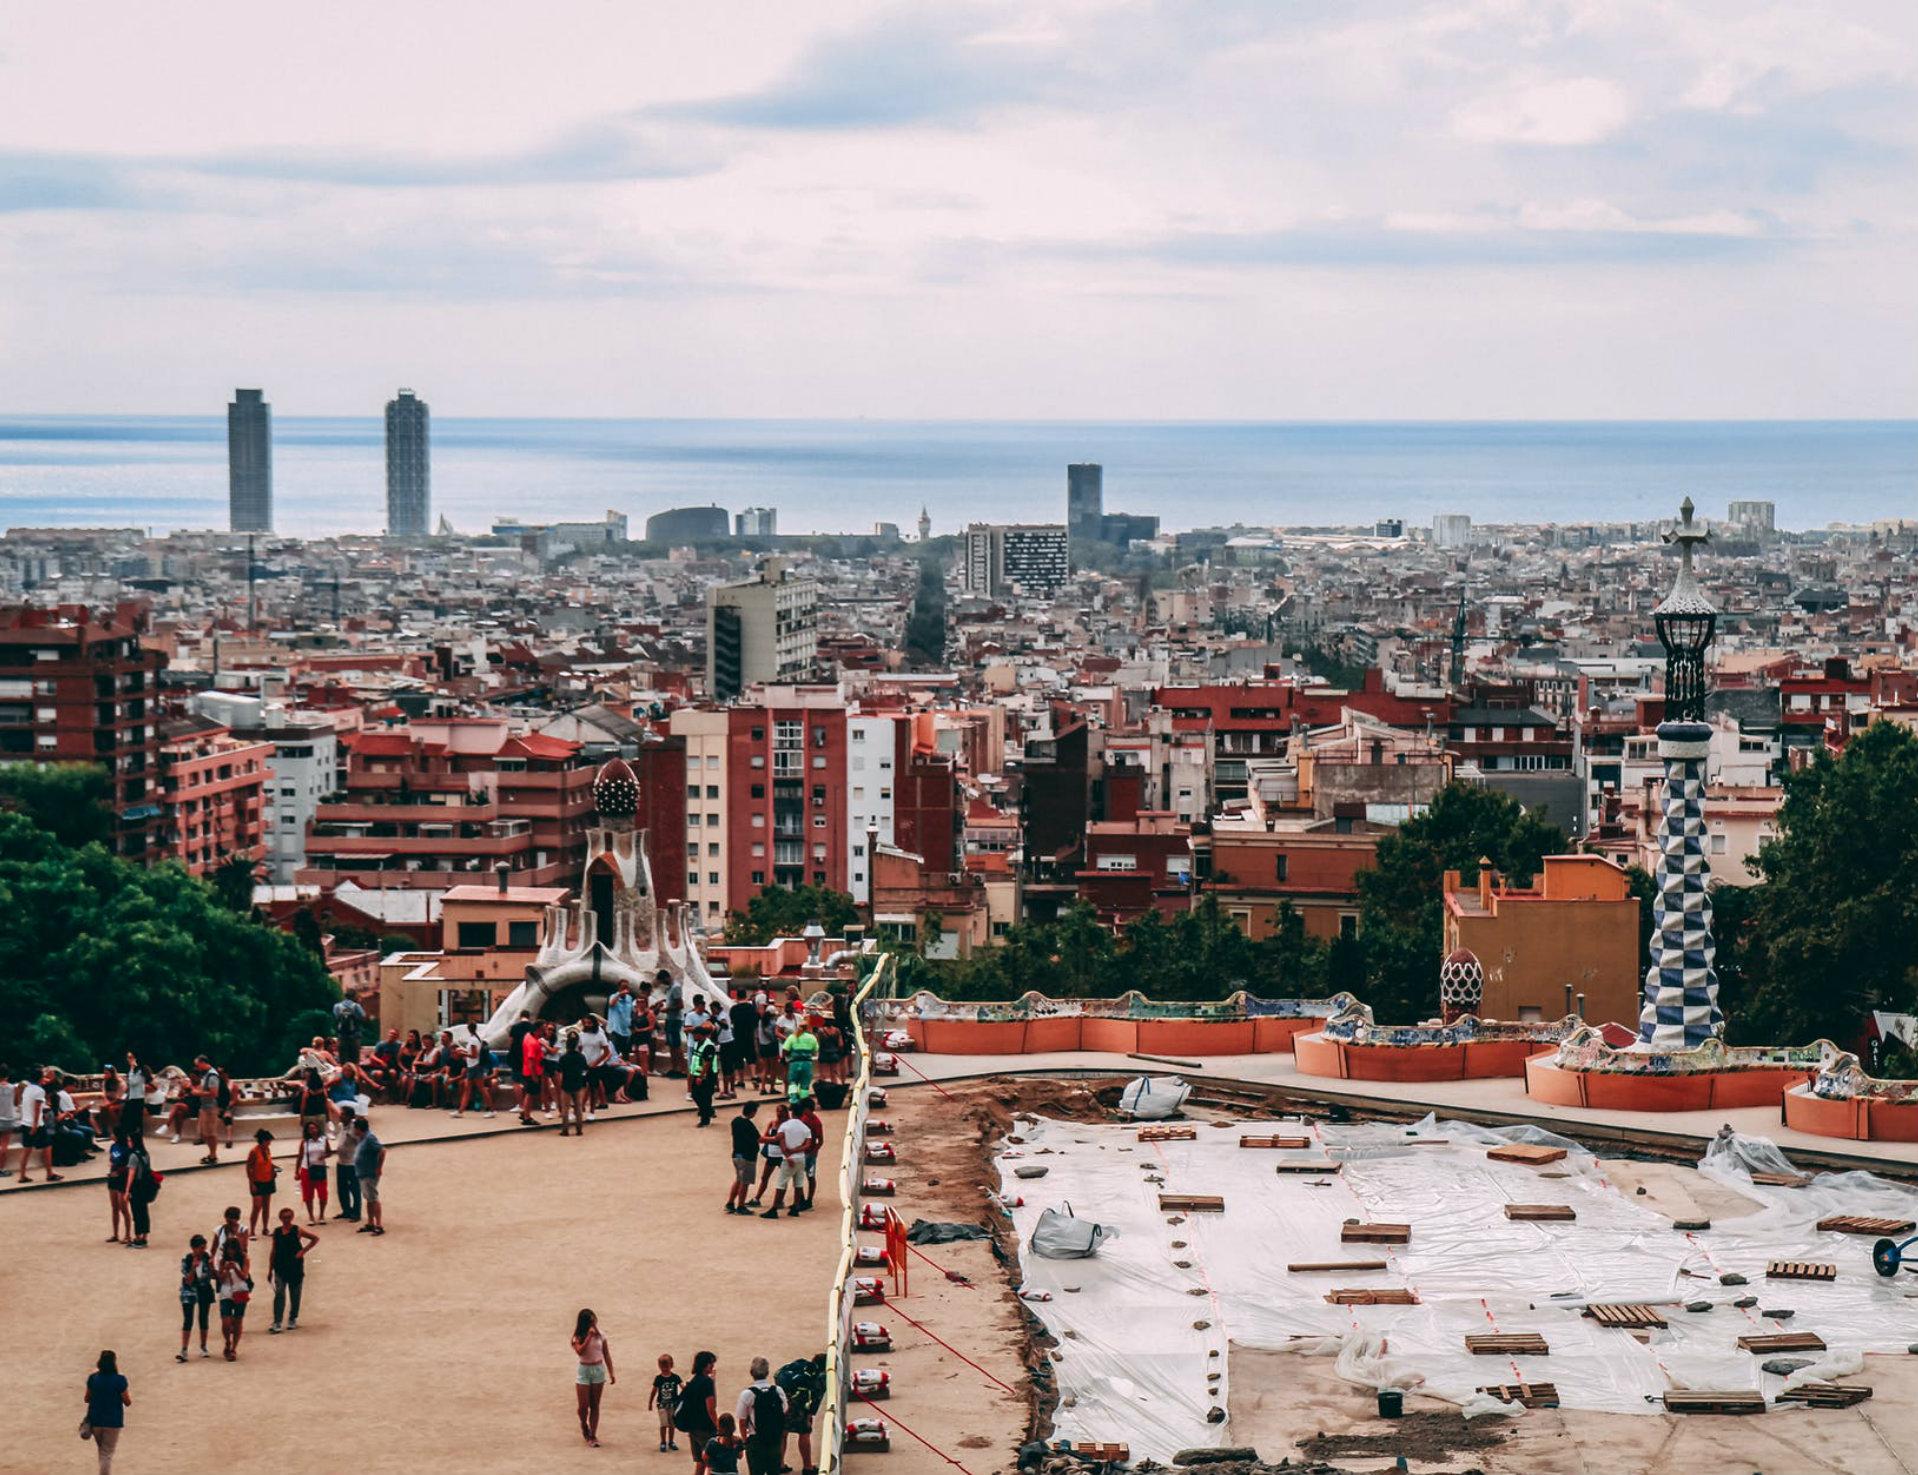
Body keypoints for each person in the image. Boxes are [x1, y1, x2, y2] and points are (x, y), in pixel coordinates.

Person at [266, 1207, 318, 1333]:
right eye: (284, 1218)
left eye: (289, 1217)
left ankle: (292, 1317)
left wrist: (303, 1251)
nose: (286, 1220)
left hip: (295, 1266)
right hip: (280, 1266)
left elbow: (315, 1238)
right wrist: (270, 1269)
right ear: (280, 1218)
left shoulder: (297, 1230)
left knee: (295, 1295)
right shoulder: (277, 1232)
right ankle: (277, 1321)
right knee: (280, 1294)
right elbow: (273, 1250)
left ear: (292, 1217)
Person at [734, 1356, 788, 1475]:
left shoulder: (747, 1394)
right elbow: (784, 1410)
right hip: (774, 1438)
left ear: (751, 1373)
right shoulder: (778, 1391)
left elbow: (742, 1421)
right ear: (767, 1373)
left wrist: (745, 1441)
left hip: (755, 1440)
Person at [571, 1308, 616, 1446]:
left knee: (595, 1404)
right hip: (584, 1370)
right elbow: (580, 1351)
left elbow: (606, 1354)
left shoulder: (601, 1335)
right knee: (583, 1406)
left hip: (598, 1369)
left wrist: (611, 1372)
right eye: (590, 1321)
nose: (593, 1323)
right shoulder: (578, 1337)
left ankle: (592, 1435)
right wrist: (589, 1337)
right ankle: (584, 1423)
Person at [82, 1350, 130, 1475]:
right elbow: (127, 1402)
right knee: (106, 1453)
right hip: (113, 1421)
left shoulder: (93, 1378)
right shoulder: (120, 1380)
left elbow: (86, 1398)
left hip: (96, 1420)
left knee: (102, 1451)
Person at [761, 1110, 813, 1219]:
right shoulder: (805, 1128)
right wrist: (796, 1150)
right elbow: (807, 1145)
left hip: (788, 1159)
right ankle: (795, 1207)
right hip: (800, 1158)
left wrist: (788, 1155)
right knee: (798, 1183)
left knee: (781, 1183)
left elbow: (779, 1140)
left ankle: (774, 1209)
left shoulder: (785, 1126)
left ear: (792, 1113)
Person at [676, 1351, 719, 1474]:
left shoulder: (693, 1381)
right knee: (712, 1462)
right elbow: (711, 1408)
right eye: (711, 1364)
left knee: (700, 1462)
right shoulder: (707, 1382)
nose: (713, 1366)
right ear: (705, 1365)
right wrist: (718, 1427)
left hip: (692, 1427)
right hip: (705, 1428)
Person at [177, 1233, 215, 1360]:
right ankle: (184, 1349)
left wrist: (211, 1266)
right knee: (188, 1320)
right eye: (201, 1248)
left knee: (203, 1318)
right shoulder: (187, 1260)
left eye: (204, 1247)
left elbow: (211, 1276)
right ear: (194, 1248)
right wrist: (193, 1268)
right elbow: (188, 1280)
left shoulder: (207, 1257)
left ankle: (203, 1347)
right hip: (189, 1291)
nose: (203, 1250)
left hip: (204, 1289)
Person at [15, 1065, 57, 1182]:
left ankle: (22, 1175)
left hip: (25, 1122)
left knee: (26, 1150)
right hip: (37, 1124)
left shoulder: (27, 1088)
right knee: (47, 1147)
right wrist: (34, 1125)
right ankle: (49, 1173)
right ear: (40, 1078)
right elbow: (37, 1109)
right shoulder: (39, 1090)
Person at [216, 1237, 252, 1360]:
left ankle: (233, 1348)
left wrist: (235, 1268)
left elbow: (244, 1276)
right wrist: (226, 1269)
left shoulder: (244, 1259)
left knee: (238, 1321)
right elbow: (220, 1279)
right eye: (229, 1250)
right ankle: (227, 1341)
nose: (231, 1252)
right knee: (225, 1321)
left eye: (232, 1250)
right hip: (226, 1292)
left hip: (240, 1290)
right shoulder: (222, 1261)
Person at [749, 1104, 791, 1208]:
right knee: (764, 1177)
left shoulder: (788, 1124)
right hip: (772, 1154)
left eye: (781, 1111)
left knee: (783, 1179)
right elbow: (765, 1135)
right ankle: (757, 1198)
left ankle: (780, 1200)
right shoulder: (772, 1123)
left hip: (782, 1155)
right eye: (777, 1111)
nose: (779, 1113)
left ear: (786, 1112)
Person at [351, 1117, 385, 1235]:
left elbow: (382, 1151)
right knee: (369, 1198)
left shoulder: (370, 1138)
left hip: (369, 1173)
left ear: (359, 1128)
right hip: (363, 1173)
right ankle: (371, 1222)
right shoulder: (362, 1138)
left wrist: (379, 1168)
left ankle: (379, 1224)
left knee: (373, 1198)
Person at [726, 1100, 760, 1215]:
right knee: (745, 1182)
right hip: (747, 1156)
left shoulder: (736, 1121)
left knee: (739, 1179)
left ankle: (730, 1203)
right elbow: (758, 1138)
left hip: (737, 1154)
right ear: (752, 1112)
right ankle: (741, 1205)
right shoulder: (748, 1124)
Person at [577, 1014, 613, 1118]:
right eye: (585, 1023)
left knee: (593, 1089)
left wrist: (596, 1062)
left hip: (596, 1065)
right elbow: (580, 1049)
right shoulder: (581, 1035)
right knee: (582, 1087)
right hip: (585, 1065)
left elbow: (606, 1052)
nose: (587, 1025)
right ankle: (580, 1109)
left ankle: (592, 1111)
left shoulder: (600, 1035)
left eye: (589, 1023)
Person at [458, 1026, 498, 1118]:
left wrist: (462, 1053)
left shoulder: (473, 1040)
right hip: (473, 1067)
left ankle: (492, 1110)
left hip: (474, 1067)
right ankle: (460, 1111)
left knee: (480, 1089)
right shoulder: (477, 1039)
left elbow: (474, 1055)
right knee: (468, 1089)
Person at [124, 1136, 156, 1249]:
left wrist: (127, 1190)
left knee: (136, 1213)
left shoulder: (133, 1156)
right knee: (144, 1211)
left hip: (137, 1186)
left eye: (129, 1140)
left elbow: (131, 1174)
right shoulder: (145, 1154)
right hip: (145, 1185)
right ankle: (145, 1237)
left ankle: (138, 1238)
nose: (128, 1142)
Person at [296, 1119, 331, 1223]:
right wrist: (296, 1171)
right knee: (308, 1194)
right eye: (310, 1129)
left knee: (323, 1193)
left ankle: (321, 1215)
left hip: (320, 1168)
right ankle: (311, 1216)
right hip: (307, 1169)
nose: (313, 1130)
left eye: (314, 1128)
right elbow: (300, 1156)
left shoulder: (324, 1139)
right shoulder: (304, 1142)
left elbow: (329, 1152)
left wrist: (324, 1156)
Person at [332, 1106, 362, 1222]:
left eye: (343, 1114)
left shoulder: (355, 1127)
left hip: (352, 1163)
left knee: (354, 1189)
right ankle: (346, 1210)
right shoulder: (341, 1126)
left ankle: (356, 1213)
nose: (340, 1116)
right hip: (341, 1162)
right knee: (342, 1188)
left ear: (350, 1116)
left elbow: (361, 1142)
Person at [244, 1129, 277, 1237]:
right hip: (257, 1181)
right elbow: (249, 1167)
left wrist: (275, 1170)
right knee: (257, 1206)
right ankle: (252, 1230)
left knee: (266, 1206)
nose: (270, 1143)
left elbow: (269, 1163)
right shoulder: (254, 1152)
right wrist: (252, 1183)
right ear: (263, 1141)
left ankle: (265, 1228)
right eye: (268, 1141)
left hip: (268, 1180)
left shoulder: (267, 1150)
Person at [795, 1096, 826, 1212]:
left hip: (808, 1153)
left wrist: (813, 1152)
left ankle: (807, 1200)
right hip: (804, 1152)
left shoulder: (815, 1122)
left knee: (809, 1176)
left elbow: (820, 1140)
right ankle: (802, 1199)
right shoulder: (804, 1119)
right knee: (802, 1176)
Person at [557, 1030, 589, 1136]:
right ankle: (579, 1129)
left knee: (565, 1107)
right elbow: (585, 1069)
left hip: (566, 1083)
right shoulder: (581, 1056)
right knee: (578, 1107)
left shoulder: (563, 1057)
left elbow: (560, 1072)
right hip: (578, 1083)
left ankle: (565, 1130)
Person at [688, 1021, 720, 1127]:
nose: (693, 1036)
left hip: (707, 1075)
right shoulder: (697, 1044)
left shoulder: (709, 1046)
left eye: (695, 1035)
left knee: (705, 1097)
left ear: (700, 1035)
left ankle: (705, 1119)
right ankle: (708, 1111)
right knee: (696, 1095)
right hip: (696, 1073)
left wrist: (701, 1076)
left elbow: (707, 1063)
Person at [650, 1352, 684, 1452]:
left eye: (666, 1366)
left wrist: (688, 1390)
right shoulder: (659, 1379)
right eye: (662, 1366)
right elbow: (654, 1390)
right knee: (664, 1424)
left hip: (673, 1405)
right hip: (662, 1405)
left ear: (671, 1365)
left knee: (672, 1424)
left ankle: (671, 1441)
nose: (664, 1369)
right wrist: (650, 1402)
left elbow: (682, 1386)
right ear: (659, 1366)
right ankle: (663, 1442)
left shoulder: (675, 1377)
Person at [782, 1016, 819, 1104]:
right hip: (807, 1063)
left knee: (793, 1082)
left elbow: (785, 1050)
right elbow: (815, 1050)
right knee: (805, 1084)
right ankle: (804, 1101)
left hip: (794, 1063)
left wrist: (785, 1057)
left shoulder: (792, 1037)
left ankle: (793, 1100)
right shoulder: (812, 1038)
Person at [105, 1128, 133, 1243]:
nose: (111, 1135)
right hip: (113, 1177)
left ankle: (127, 1235)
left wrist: (118, 1171)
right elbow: (112, 1158)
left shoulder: (127, 1149)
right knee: (114, 1207)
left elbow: (129, 1166)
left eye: (113, 1133)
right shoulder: (113, 1146)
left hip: (122, 1178)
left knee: (123, 1208)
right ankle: (115, 1234)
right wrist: (111, 1165)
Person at [517, 1017, 544, 1126]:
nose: (545, 1032)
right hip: (533, 1071)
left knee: (529, 1093)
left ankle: (524, 1112)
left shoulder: (527, 1036)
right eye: (543, 1029)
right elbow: (531, 1060)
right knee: (530, 1094)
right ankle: (527, 1117)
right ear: (538, 1030)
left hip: (526, 1070)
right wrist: (534, 1076)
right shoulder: (534, 1043)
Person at [333, 989, 368, 1065]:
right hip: (354, 1037)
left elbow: (336, 1018)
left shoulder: (337, 1006)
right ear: (354, 996)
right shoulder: (356, 1006)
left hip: (342, 1037)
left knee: (343, 1061)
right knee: (355, 1061)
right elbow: (363, 1017)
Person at [663, 972, 686, 1076]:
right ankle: (674, 1068)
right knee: (671, 1044)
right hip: (670, 1018)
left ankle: (682, 1068)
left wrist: (668, 1009)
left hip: (675, 1019)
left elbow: (680, 1005)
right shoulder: (669, 988)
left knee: (676, 1045)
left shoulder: (676, 987)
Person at [607, 982, 636, 1063]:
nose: (625, 989)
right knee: (614, 1051)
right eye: (623, 987)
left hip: (626, 1030)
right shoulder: (613, 996)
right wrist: (619, 994)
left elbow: (631, 1012)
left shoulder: (629, 998)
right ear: (619, 988)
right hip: (615, 1029)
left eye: (627, 987)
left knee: (626, 1053)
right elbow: (611, 1004)